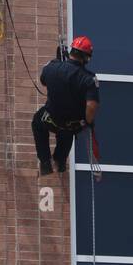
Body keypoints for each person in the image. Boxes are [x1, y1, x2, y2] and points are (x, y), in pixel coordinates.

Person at [32, 36, 99, 176]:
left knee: (38, 122)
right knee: (67, 132)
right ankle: (60, 161)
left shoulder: (52, 67)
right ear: (86, 58)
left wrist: (57, 63)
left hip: (51, 118)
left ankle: (45, 162)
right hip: (72, 125)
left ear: (72, 51)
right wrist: (87, 122)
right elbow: (91, 107)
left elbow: (43, 81)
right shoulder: (88, 79)